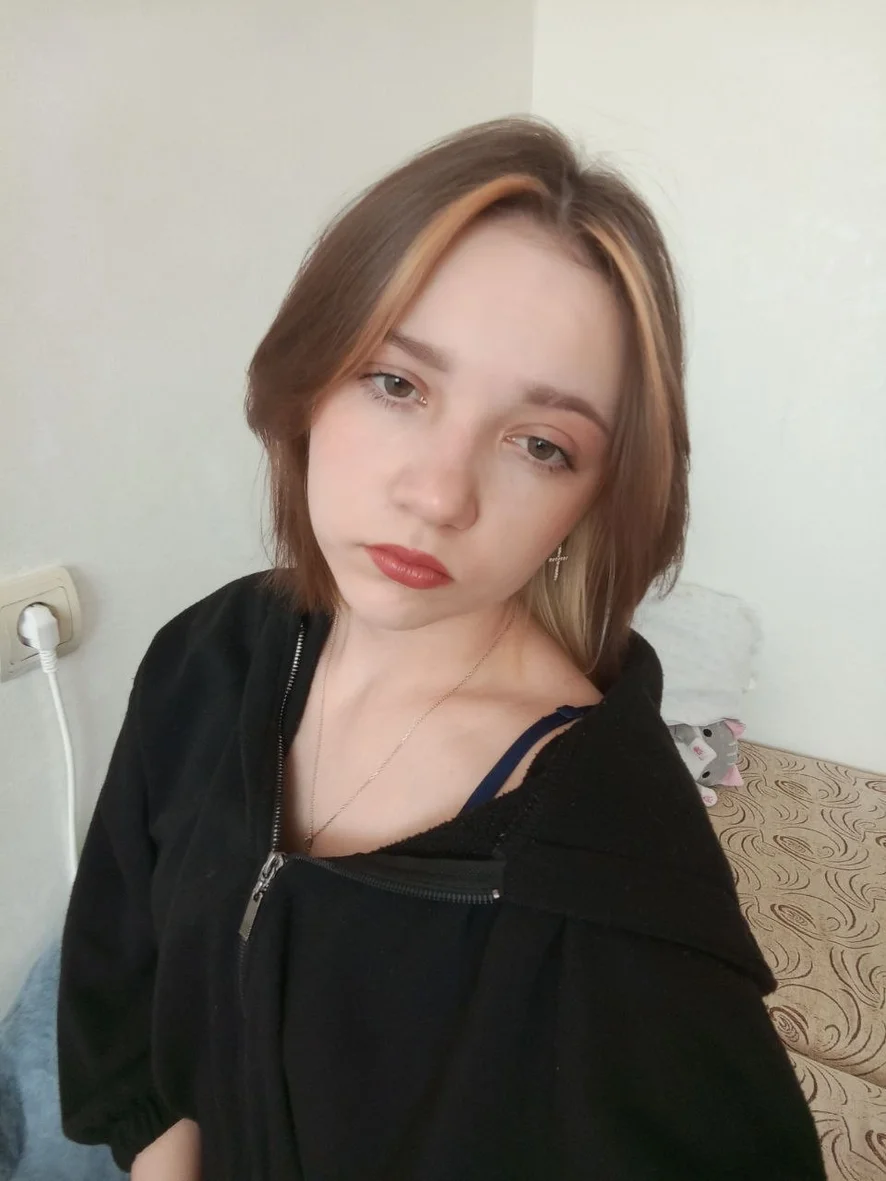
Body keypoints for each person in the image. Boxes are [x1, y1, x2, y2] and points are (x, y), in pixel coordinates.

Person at [57, 117, 825, 1180]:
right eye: (397, 383)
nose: (438, 493)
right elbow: (119, 971)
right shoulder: (208, 655)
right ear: (311, 379)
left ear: (590, 501)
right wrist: (161, 1153)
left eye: (540, 444)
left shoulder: (616, 882)